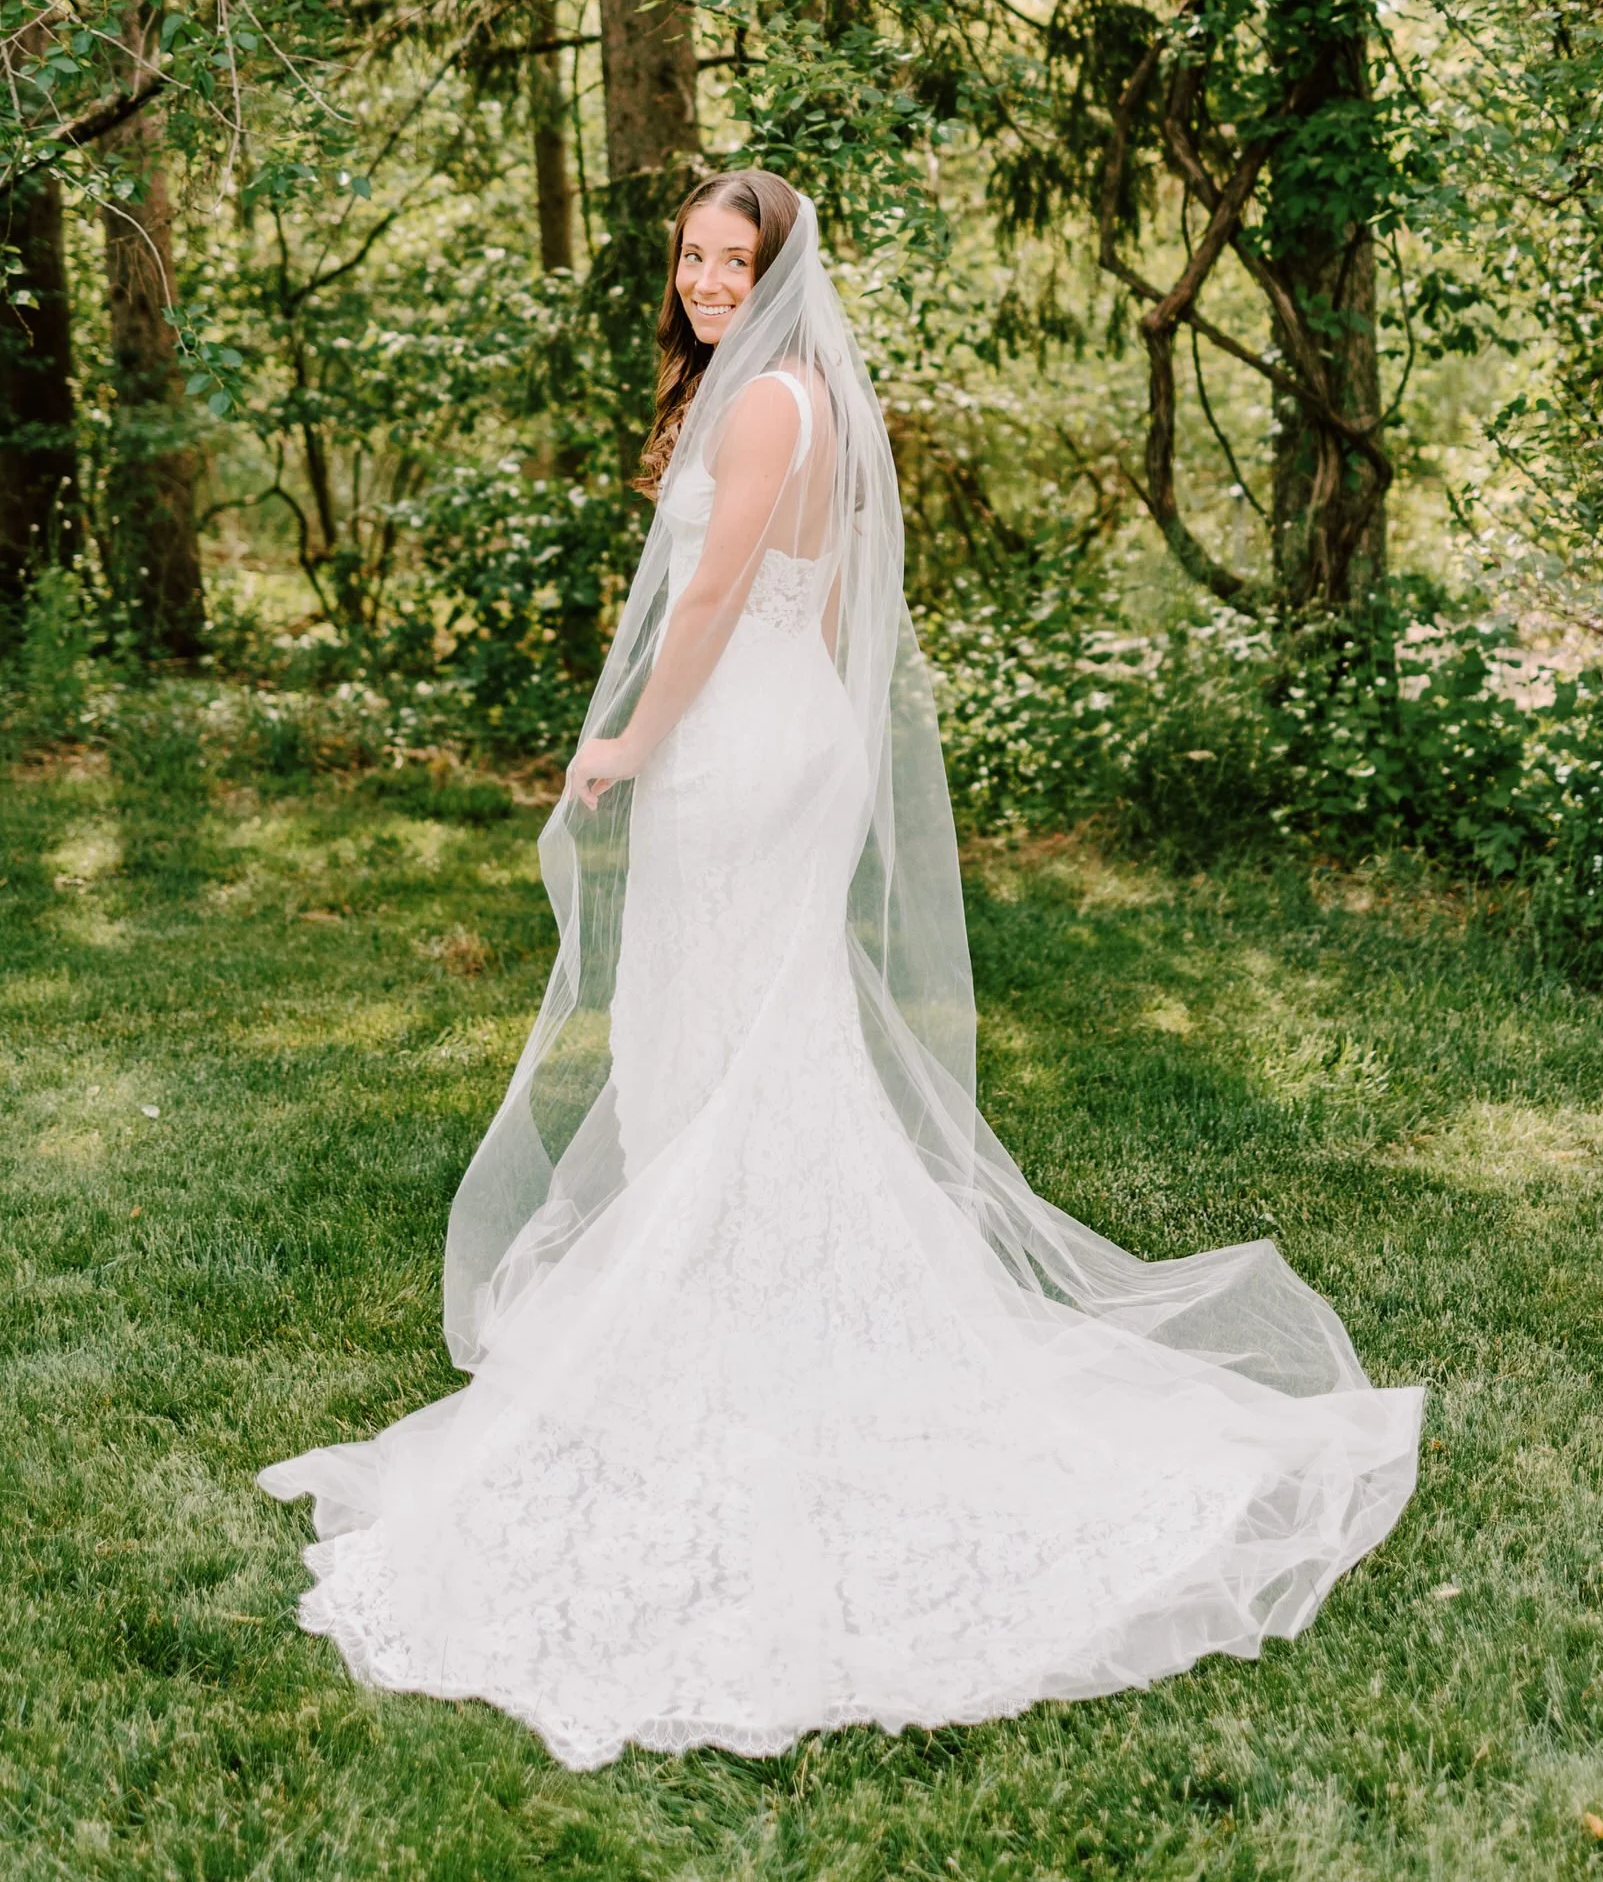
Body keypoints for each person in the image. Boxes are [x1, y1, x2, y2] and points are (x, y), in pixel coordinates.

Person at [260, 168, 1422, 1771]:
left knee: (713, 1037)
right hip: (784, 742)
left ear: (781, 273)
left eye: (737, 260)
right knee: (759, 1035)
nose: (709, 281)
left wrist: (630, 744)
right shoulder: (810, 403)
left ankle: (729, 1322)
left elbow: (723, 592)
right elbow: (812, 618)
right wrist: (797, 761)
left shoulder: (760, 415)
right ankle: (749, 1287)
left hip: (731, 748)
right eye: (694, 257)